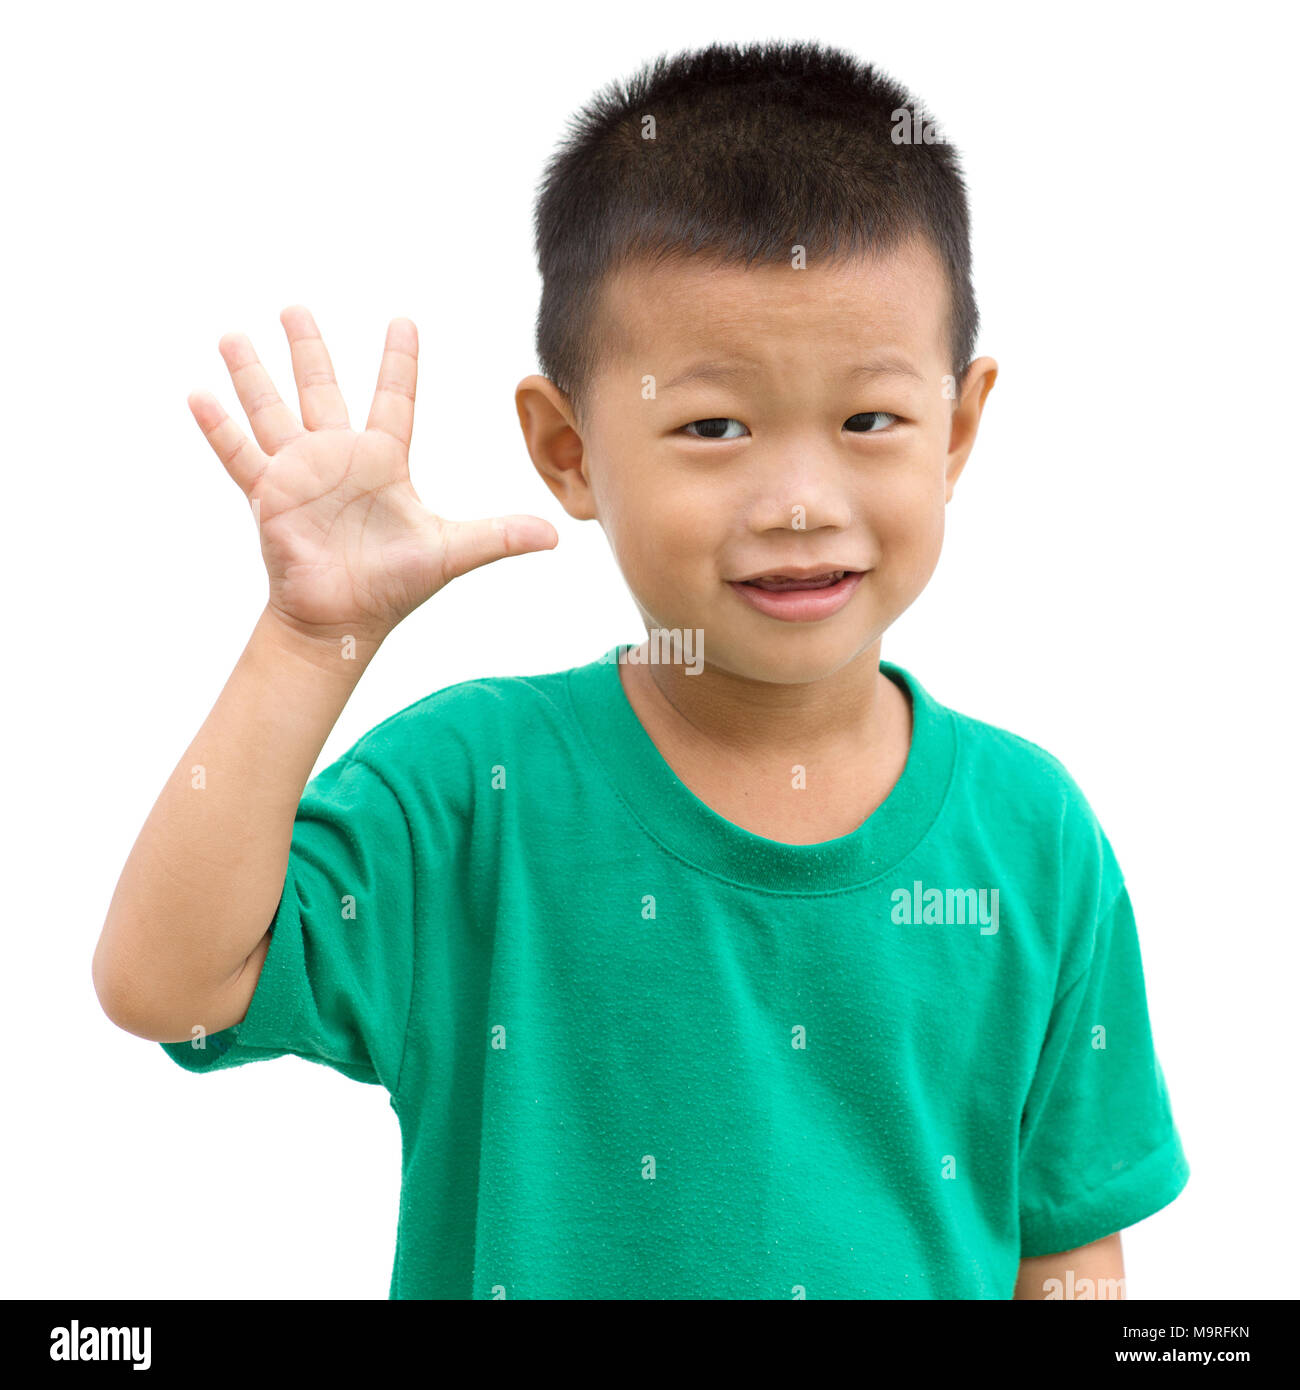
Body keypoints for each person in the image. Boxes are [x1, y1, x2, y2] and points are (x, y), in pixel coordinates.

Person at [93, 39, 1188, 1300]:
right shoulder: (478, 789)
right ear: (566, 450)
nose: (797, 500)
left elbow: (1067, 1250)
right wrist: (304, 640)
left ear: (959, 425)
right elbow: (163, 983)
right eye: (712, 425)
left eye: (868, 419)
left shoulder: (1032, 834)